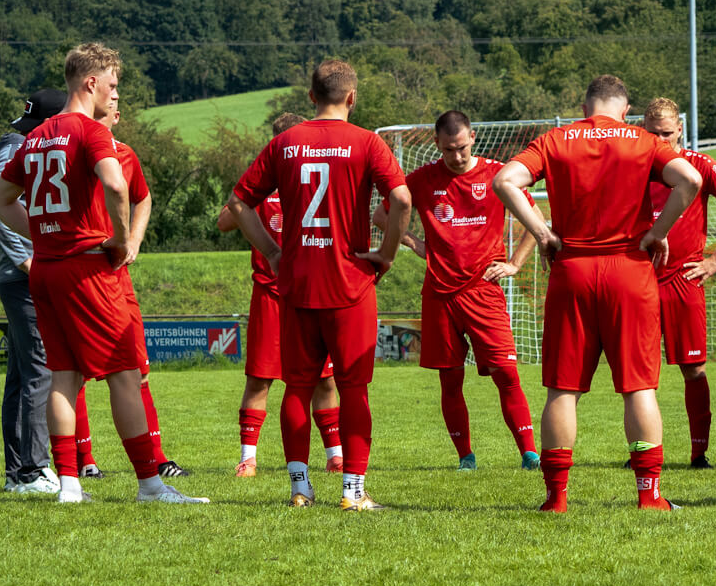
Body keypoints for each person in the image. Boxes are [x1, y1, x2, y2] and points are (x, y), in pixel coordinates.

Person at [0, 42, 205, 504]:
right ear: (91, 83)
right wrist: (123, 240)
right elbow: (114, 184)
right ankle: (150, 484)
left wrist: (43, 235)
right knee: (125, 374)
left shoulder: (38, 136)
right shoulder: (91, 131)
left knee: (62, 374)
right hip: (88, 269)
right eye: (112, 84)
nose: (114, 93)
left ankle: (69, 485)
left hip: (46, 270)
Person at [493, 75, 701, 512]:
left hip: (573, 271)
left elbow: (505, 182)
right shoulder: (642, 141)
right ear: (625, 110)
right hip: (630, 270)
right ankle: (650, 497)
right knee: (639, 388)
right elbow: (690, 181)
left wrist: (544, 234)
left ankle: (556, 499)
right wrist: (657, 232)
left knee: (562, 390)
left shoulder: (555, 140)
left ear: (586, 106)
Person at [225, 60, 411, 510]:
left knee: (297, 388)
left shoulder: (285, 143)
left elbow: (238, 202)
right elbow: (401, 198)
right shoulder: (368, 142)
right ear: (352, 97)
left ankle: (299, 488)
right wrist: (386, 254)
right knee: (353, 390)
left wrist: (273, 252)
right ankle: (352, 492)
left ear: (311, 97)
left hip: (298, 284)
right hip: (350, 285)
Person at [393, 110, 541, 471]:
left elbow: (535, 221)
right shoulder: (424, 179)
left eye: (460, 148)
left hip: (484, 291)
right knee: (450, 378)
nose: (456, 156)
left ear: (473, 138)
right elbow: (384, 214)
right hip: (440, 295)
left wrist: (516, 265)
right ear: (436, 145)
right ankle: (466, 458)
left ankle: (529, 453)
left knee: (507, 374)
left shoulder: (496, 174)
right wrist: (415, 243)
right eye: (447, 150)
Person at [218, 112, 344, 478]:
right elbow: (225, 221)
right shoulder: (262, 182)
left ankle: (334, 454)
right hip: (271, 294)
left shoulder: (319, 177)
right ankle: (248, 458)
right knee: (260, 378)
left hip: (309, 291)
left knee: (324, 378)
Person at [640, 98, 716, 470]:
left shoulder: (700, 165)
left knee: (694, 369)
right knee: (641, 372)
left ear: (680, 132)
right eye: (652, 134)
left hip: (684, 280)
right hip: (639, 279)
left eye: (667, 134)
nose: (660, 140)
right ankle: (643, 452)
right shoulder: (634, 168)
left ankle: (698, 453)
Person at [93, 96, 188, 480]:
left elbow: (143, 197)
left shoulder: (124, 154)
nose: (110, 103)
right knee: (70, 373)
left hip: (115, 273)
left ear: (117, 116)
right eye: (108, 91)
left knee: (136, 369)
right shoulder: (71, 145)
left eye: (115, 101)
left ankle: (157, 459)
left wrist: (132, 240)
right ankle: (82, 462)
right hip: (79, 269)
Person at [0, 87, 64, 495]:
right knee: (39, 370)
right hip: (23, 278)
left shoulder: (26, 144)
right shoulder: (17, 147)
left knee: (21, 374)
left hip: (18, 276)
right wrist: (25, 258)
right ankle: (32, 471)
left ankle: (18, 475)